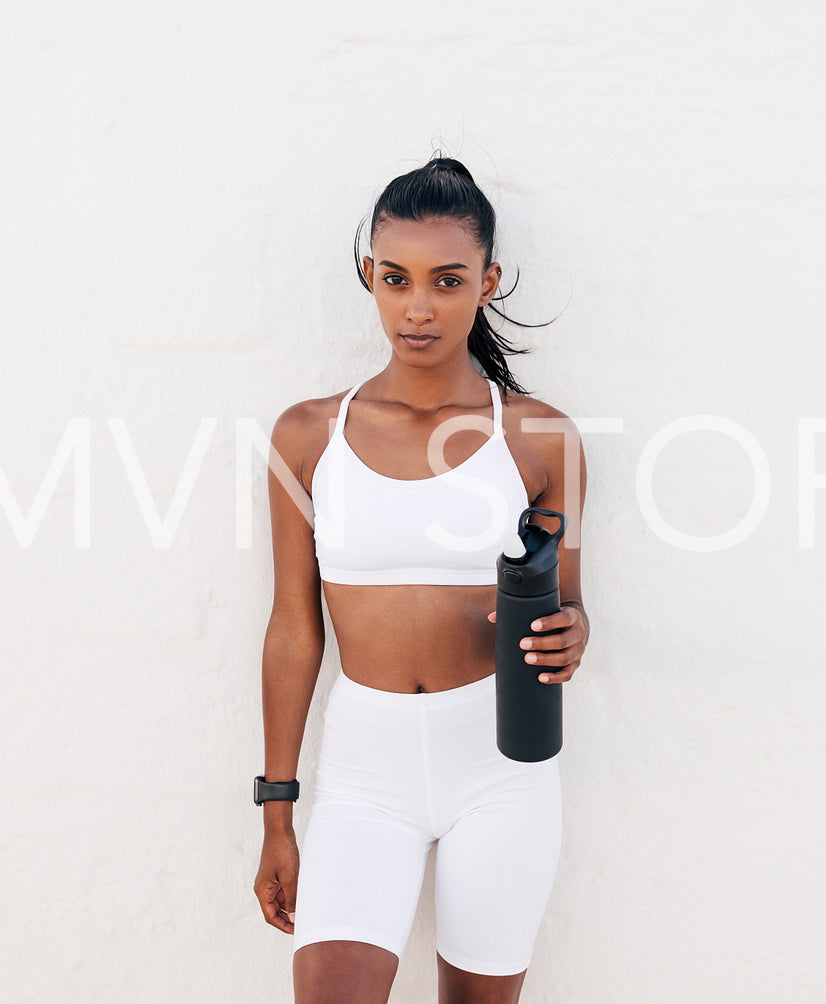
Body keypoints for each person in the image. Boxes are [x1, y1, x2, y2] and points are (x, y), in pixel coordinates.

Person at [253, 155, 591, 1004]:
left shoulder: (539, 439)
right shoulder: (307, 436)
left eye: (447, 280)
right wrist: (277, 811)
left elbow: (567, 607)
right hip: (364, 770)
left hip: (500, 763)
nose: (417, 307)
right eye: (396, 278)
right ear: (369, 274)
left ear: (487, 282)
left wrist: (574, 633)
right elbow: (294, 626)